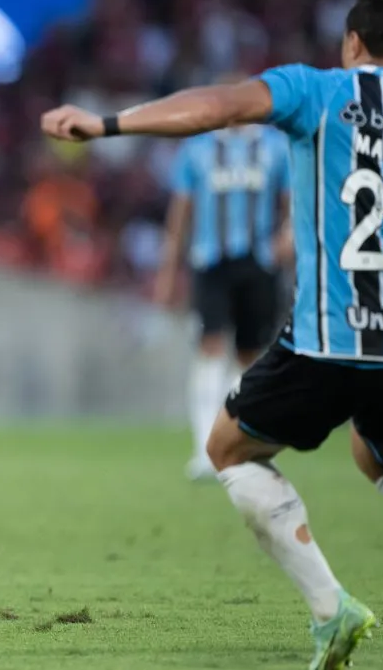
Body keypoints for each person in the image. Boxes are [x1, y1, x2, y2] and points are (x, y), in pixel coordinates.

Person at [42, 0, 383, 667]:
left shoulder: (317, 89)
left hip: (330, 335)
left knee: (230, 448)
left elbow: (219, 107)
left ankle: (332, 607)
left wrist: (108, 125)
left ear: (351, 41)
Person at [155, 75, 292, 480]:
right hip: (210, 261)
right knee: (210, 347)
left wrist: (288, 239)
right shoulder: (197, 149)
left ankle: (238, 445)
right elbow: (180, 213)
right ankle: (204, 449)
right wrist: (168, 269)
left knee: (250, 356)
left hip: (259, 262)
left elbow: (290, 204)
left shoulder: (273, 147)